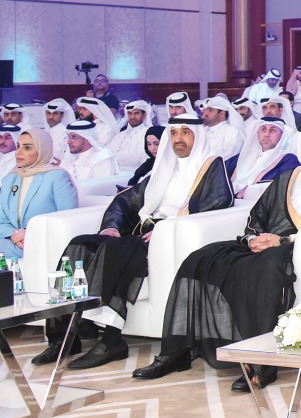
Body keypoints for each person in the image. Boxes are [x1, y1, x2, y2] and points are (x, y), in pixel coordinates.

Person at [132, 119, 301, 390]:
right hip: (266, 244)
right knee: (201, 258)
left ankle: (262, 364)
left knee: (265, 268)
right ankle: (176, 351)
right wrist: (254, 237)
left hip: (298, 247)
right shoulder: (287, 178)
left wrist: (283, 239)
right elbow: (257, 215)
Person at [41, 114, 234, 369]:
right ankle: (64, 335)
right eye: (174, 133)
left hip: (168, 237)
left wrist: (168, 228)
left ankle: (111, 341)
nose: (178, 139)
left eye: (186, 133)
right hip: (141, 233)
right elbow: (127, 199)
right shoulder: (165, 166)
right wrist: (111, 227)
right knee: (79, 245)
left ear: (198, 137)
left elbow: (219, 201)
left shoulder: (210, 166)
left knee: (119, 255)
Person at [0, 129, 78, 262]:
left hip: (46, 241)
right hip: (15, 242)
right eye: (18, 146)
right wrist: (15, 234)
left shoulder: (57, 177)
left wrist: (29, 233)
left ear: (42, 150)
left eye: (27, 148)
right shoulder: (10, 178)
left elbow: (68, 218)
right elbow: (2, 220)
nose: (19, 152)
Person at [230, 117, 299, 197]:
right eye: (263, 129)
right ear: (258, 133)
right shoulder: (242, 157)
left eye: (272, 130)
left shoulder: (288, 160)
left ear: (282, 135)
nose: (266, 135)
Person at [110, 100, 153, 170]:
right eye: (129, 113)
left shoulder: (148, 134)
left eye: (136, 113)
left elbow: (142, 158)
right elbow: (109, 152)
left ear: (144, 115)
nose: (132, 117)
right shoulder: (120, 135)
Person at [200, 96, 245, 161]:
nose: (205, 114)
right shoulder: (203, 130)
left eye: (210, 110)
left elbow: (228, 159)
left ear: (221, 114)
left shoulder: (232, 132)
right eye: (205, 110)